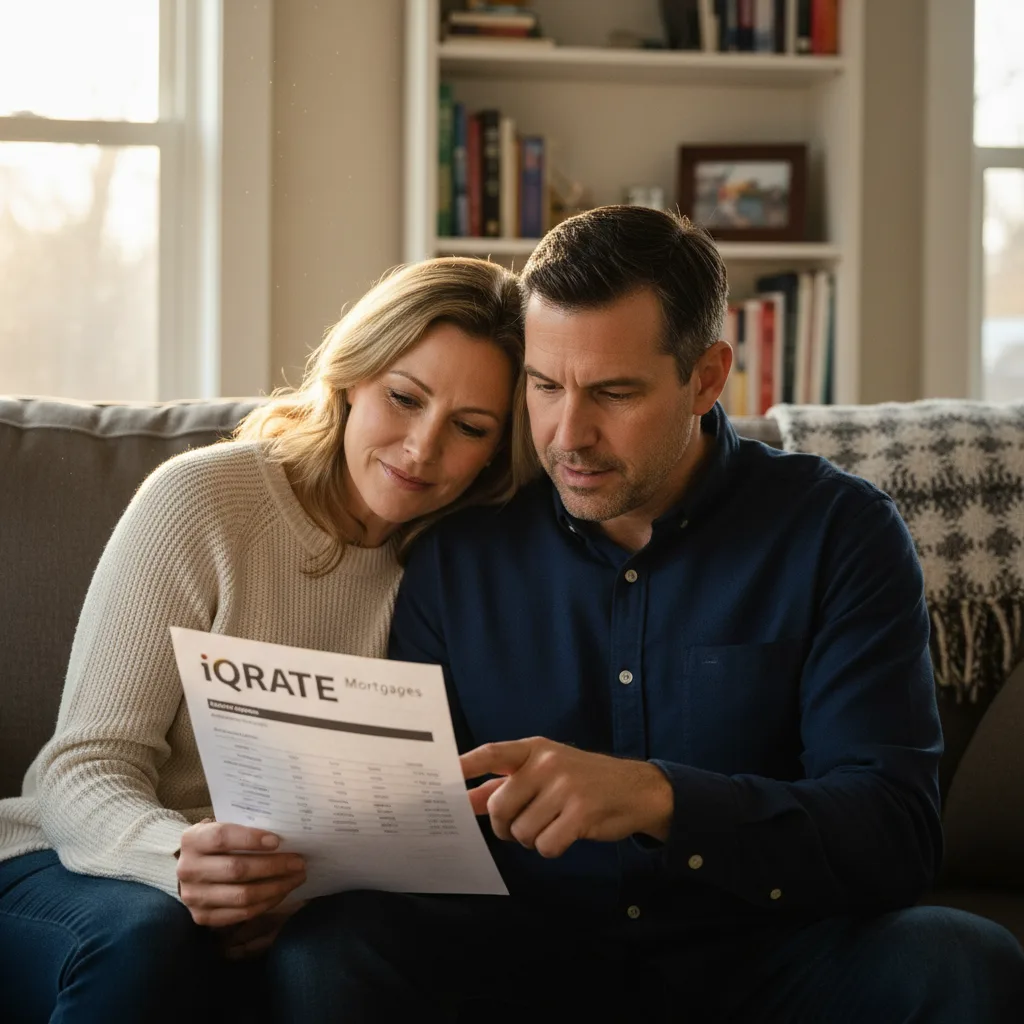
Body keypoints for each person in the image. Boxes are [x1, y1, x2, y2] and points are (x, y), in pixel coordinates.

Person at [267, 207, 1024, 1023]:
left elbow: (895, 834)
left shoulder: (837, 533)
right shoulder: (460, 549)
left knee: (959, 960)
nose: (568, 435)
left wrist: (663, 799)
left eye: (613, 392)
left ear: (705, 377)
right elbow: (414, 822)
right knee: (331, 947)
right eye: (545, 386)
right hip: (519, 964)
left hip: (763, 956)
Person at [0, 257, 529, 1023]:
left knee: (335, 961)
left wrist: (283, 890)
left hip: (296, 899)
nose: (420, 448)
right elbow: (82, 770)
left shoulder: (466, 566)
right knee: (151, 934)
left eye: (469, 428)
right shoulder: (205, 501)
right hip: (73, 864)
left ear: (496, 449)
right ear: (353, 378)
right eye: (403, 399)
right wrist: (180, 863)